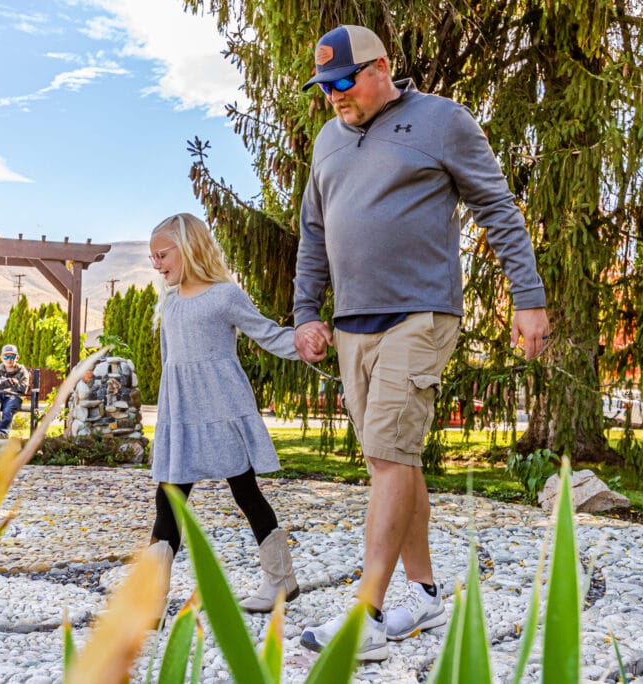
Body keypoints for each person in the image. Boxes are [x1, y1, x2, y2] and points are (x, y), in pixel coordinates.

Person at [293, 25, 551, 661]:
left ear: (382, 68)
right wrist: (304, 312)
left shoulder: (442, 121)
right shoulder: (328, 140)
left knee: (385, 454)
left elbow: (497, 207)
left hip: (422, 314)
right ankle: (428, 594)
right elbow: (312, 232)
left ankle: (367, 616)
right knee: (397, 458)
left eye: (344, 81)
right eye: (324, 86)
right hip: (353, 322)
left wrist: (529, 297)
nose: (333, 96)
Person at [147, 212, 329, 614]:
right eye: (153, 259)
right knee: (170, 499)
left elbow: (266, 333)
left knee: (245, 491)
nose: (157, 265)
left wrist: (305, 343)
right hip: (182, 415)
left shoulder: (225, 295)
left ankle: (281, 581)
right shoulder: (171, 303)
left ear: (189, 248)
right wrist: (167, 416)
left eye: (162, 255)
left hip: (224, 408)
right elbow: (168, 364)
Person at [0, 344, 30, 439]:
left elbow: (23, 388)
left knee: (8, 410)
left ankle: (2, 433)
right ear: (1, 358)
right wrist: (9, 382)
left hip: (14, 396)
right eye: (6, 356)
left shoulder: (22, 371)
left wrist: (2, 384)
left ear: (17, 357)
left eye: (12, 356)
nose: (9, 359)